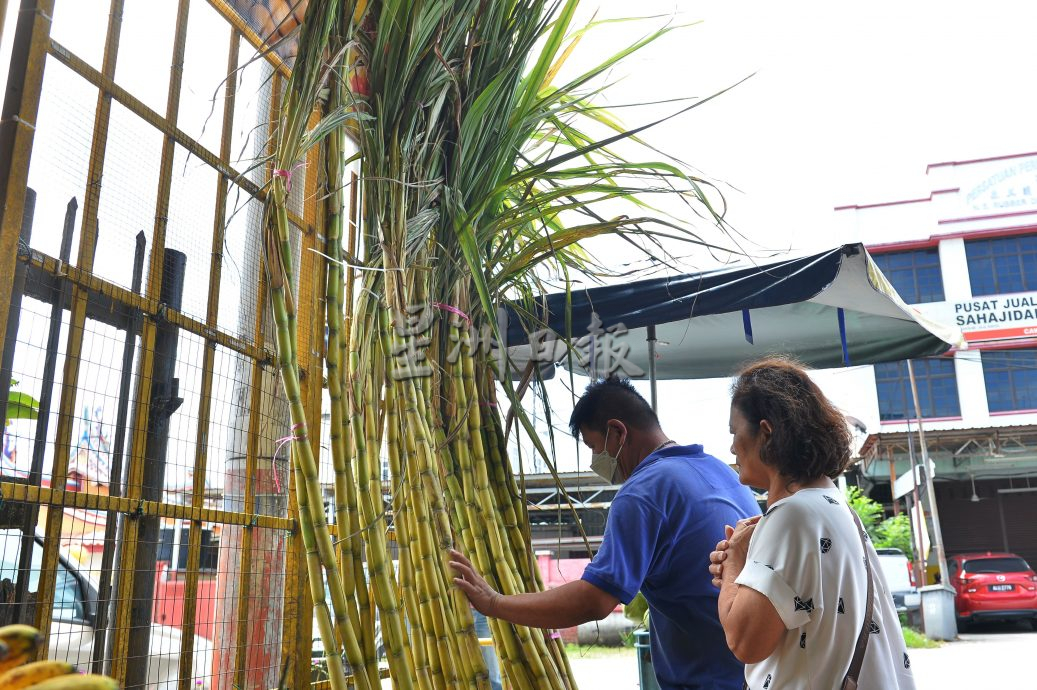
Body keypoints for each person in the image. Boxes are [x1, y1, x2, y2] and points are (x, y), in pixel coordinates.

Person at [450, 376, 761, 690]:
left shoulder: (642, 492)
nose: (595, 460)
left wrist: (495, 603)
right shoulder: (722, 470)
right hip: (758, 672)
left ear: (617, 432)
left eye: (594, 446)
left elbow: (595, 599)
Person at [709, 357, 916, 690]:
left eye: (735, 432)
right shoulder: (833, 507)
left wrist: (734, 564)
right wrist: (746, 565)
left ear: (765, 432)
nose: (732, 446)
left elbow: (744, 642)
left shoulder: (791, 517)